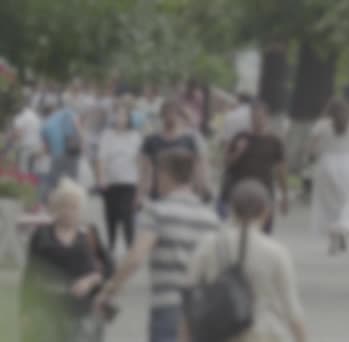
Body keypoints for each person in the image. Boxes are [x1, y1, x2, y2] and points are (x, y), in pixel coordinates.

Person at [95, 149, 221, 342]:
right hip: (202, 309)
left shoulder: (157, 212)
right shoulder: (211, 218)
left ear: (164, 174)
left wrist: (110, 290)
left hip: (169, 307)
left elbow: (136, 257)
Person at [180, 180, 306, 342]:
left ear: (231, 209)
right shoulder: (276, 252)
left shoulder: (208, 245)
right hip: (265, 333)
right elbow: (292, 308)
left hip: (218, 332)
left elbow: (189, 297)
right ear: (266, 212)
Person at [20, 178, 107, 342]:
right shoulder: (41, 236)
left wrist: (89, 281)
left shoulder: (88, 236)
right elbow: (30, 275)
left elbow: (103, 271)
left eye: (74, 207)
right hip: (47, 311)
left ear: (81, 210)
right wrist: (25, 311)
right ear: (56, 208)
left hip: (80, 314)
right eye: (65, 206)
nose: (69, 211)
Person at [309, 98, 349, 255]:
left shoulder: (321, 125)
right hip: (347, 164)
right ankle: (342, 231)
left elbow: (312, 148)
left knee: (328, 204)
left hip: (326, 163)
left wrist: (319, 152)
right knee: (345, 201)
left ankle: (334, 238)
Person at [225, 100, 288, 234]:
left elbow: (281, 170)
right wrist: (238, 152)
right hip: (242, 191)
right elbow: (227, 164)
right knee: (238, 230)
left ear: (266, 117)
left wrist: (284, 195)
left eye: (259, 117)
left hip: (264, 192)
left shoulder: (274, 140)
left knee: (264, 230)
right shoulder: (240, 137)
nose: (256, 121)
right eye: (253, 117)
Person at [137, 99, 208, 205]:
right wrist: (140, 194)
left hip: (184, 195)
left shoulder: (189, 141)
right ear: (162, 116)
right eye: (167, 113)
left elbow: (197, 168)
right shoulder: (151, 141)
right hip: (157, 194)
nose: (170, 117)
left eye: (173, 113)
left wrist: (202, 189)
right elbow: (145, 171)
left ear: (179, 115)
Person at [96, 99, 143, 252]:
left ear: (129, 118)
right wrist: (101, 177)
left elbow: (139, 160)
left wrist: (141, 183)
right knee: (111, 215)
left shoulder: (135, 136)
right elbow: (101, 158)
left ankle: (130, 247)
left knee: (127, 214)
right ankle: (111, 246)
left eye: (124, 116)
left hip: (129, 181)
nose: (120, 118)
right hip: (111, 181)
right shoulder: (107, 135)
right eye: (118, 115)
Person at [40, 94, 82, 191]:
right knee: (72, 180)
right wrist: (81, 143)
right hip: (72, 151)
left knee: (55, 181)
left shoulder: (46, 123)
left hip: (57, 154)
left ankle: (56, 199)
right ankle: (70, 200)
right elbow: (78, 128)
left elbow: (45, 143)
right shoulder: (69, 113)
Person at [12, 97, 42, 174]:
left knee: (23, 169)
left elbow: (18, 133)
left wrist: (14, 144)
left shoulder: (20, 117)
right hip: (36, 145)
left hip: (25, 145)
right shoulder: (36, 116)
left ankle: (24, 184)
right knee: (33, 169)